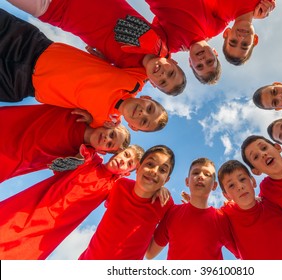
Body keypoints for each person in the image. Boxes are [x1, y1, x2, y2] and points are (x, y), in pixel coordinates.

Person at [0, 9, 168, 132]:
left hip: (18, 84)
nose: (142, 113)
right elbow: (158, 62)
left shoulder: (101, 123)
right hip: (33, 45)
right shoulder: (135, 80)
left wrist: (91, 121)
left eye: (144, 121)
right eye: (150, 109)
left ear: (133, 127)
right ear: (147, 98)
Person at [5, 0, 187, 96]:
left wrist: (109, 122)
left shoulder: (131, 76)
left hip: (53, 9)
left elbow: (121, 102)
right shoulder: (164, 39)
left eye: (162, 82)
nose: (163, 75)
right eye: (171, 73)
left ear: (154, 85)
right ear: (174, 61)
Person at [0, 144, 145, 260]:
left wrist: (156, 188)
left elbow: (132, 198)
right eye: (125, 155)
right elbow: (84, 143)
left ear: (126, 173)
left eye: (129, 164)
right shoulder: (90, 159)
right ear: (118, 152)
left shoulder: (112, 187)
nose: (123, 161)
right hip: (30, 209)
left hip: (47, 232)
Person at [79, 145, 175, 259]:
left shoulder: (165, 204)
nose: (154, 171)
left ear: (166, 180)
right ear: (138, 167)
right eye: (150, 164)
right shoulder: (120, 185)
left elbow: (150, 253)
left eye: (162, 170)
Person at [144, 0, 275, 84]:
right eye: (209, 61)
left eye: (199, 66)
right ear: (215, 53)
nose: (202, 59)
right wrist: (256, 12)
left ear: (190, 63)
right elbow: (233, 13)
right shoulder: (216, 27)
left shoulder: (169, 46)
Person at [0, 104, 130, 184]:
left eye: (109, 145)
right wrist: (96, 117)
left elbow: (65, 170)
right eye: (112, 134)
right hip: (10, 124)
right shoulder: (81, 111)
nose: (107, 139)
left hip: (10, 160)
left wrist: (79, 160)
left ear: (102, 151)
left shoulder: (83, 155)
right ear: (107, 124)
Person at [145, 158, 239, 260]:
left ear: (214, 185)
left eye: (207, 174)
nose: (200, 176)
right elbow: (149, 253)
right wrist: (154, 191)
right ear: (187, 181)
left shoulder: (222, 219)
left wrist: (242, 208)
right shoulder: (172, 213)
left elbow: (243, 253)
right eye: (196, 172)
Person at [218, 159, 282, 260]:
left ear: (253, 181)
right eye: (231, 185)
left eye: (242, 179)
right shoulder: (226, 218)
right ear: (226, 195)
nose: (240, 186)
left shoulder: (271, 202)